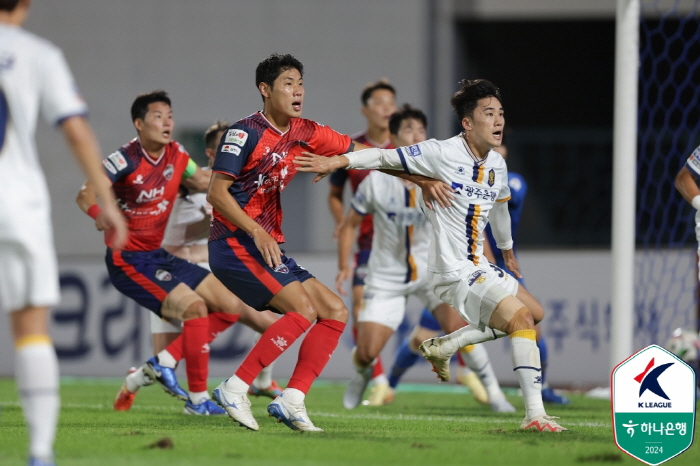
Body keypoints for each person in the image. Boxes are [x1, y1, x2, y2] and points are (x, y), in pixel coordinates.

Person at [295, 79, 568, 432]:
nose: (498, 120)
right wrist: (338, 162)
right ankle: (533, 415)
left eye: (500, 113)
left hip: (479, 264)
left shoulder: (496, 166)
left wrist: (507, 253)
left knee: (535, 314)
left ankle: (447, 344)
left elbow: (499, 210)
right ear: (467, 123)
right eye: (489, 113)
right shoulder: (440, 152)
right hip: (450, 270)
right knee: (518, 321)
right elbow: (380, 156)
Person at [205, 54, 446, 432]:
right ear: (265, 90)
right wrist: (257, 230)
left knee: (334, 310)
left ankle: (293, 399)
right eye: (288, 82)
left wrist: (422, 181)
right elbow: (217, 194)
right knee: (301, 310)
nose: (298, 90)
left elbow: (368, 156)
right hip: (234, 243)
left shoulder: (307, 130)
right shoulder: (243, 133)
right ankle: (235, 388)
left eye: (300, 82)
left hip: (265, 246)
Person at [76, 91, 258, 416]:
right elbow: (85, 192)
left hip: (158, 256)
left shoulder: (177, 155)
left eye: (170, 116)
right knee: (197, 309)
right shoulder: (125, 159)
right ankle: (198, 401)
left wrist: (239, 182)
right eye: (158, 116)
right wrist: (97, 213)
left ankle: (161, 364)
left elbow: (202, 180)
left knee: (230, 307)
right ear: (139, 123)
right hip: (128, 261)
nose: (167, 122)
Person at [0, 1, 127, 464]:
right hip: (14, 202)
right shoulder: (37, 53)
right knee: (30, 326)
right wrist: (107, 202)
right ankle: (38, 452)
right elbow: (75, 131)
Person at [338, 105, 514, 413]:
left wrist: (487, 259)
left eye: (421, 130)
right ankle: (362, 374)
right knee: (366, 352)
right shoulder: (376, 182)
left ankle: (496, 394)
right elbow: (350, 223)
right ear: (391, 138)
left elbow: (472, 221)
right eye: (408, 130)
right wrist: (344, 264)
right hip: (386, 276)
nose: (416, 136)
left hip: (434, 270)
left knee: (462, 327)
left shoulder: (443, 174)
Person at [112, 120, 282, 415]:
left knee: (273, 323)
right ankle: (136, 379)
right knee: (167, 360)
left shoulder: (238, 186)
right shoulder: (189, 181)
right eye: (222, 149)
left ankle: (261, 382)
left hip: (212, 271)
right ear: (210, 153)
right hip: (174, 271)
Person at [327, 79, 397, 404]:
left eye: (390, 103)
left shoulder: (405, 148)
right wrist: (343, 222)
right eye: (379, 102)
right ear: (365, 110)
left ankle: (481, 381)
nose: (386, 108)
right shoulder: (352, 148)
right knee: (360, 308)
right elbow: (334, 195)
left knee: (445, 314)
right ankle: (378, 378)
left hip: (407, 248)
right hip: (369, 245)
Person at [484, 144, 569, 405]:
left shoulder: (515, 183)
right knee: (434, 330)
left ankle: (540, 387)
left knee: (531, 323)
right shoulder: (466, 180)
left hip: (504, 266)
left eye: (499, 142)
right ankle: (388, 383)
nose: (496, 149)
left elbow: (498, 209)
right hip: (469, 266)